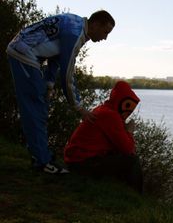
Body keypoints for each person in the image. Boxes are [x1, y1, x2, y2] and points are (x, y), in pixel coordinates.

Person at [6, 10, 115, 174]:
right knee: (34, 109)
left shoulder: (76, 24)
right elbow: (67, 73)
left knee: (39, 106)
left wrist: (49, 84)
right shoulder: (75, 33)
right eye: (105, 32)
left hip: (25, 52)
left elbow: (55, 56)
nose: (105, 38)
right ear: (95, 24)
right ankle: (42, 162)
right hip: (23, 53)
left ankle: (41, 157)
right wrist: (78, 107)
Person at [64, 81, 143, 193]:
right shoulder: (111, 115)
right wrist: (129, 131)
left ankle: (122, 191)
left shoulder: (104, 109)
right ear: (123, 102)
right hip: (81, 163)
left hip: (76, 160)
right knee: (132, 161)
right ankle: (136, 195)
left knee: (119, 156)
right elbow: (128, 149)